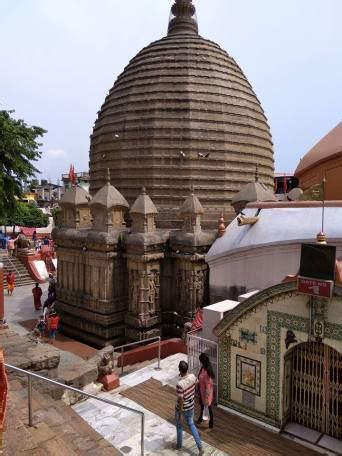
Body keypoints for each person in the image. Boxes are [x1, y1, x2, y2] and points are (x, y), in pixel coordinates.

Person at [175, 360, 203, 455]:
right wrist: (192, 392)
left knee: (179, 426)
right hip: (191, 406)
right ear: (187, 369)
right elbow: (197, 382)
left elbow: (181, 400)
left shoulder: (180, 384)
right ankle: (200, 448)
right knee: (191, 425)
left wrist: (180, 413)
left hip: (182, 408)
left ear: (180, 370)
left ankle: (179, 445)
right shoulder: (192, 376)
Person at [197, 353, 215, 429]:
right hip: (202, 391)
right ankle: (200, 419)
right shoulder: (203, 368)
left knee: (209, 408)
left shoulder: (207, 371)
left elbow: (208, 386)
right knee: (202, 405)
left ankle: (210, 426)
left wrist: (206, 397)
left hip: (206, 394)